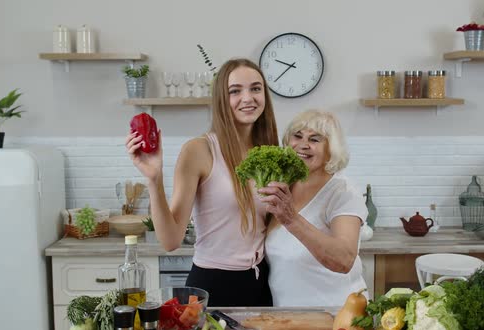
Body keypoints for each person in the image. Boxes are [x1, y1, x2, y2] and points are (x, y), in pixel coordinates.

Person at [125, 58, 278, 307]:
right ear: (220, 100)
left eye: (256, 88)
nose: (248, 98)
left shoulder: (268, 151)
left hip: (261, 284)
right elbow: (170, 240)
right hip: (214, 285)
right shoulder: (200, 150)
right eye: (235, 91)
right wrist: (154, 179)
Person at [259, 110, 369, 307]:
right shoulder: (285, 185)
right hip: (288, 316)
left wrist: (292, 219)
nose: (303, 144)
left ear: (331, 149)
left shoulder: (342, 192)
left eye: (315, 139)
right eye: (298, 136)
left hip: (336, 315)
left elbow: (343, 260)